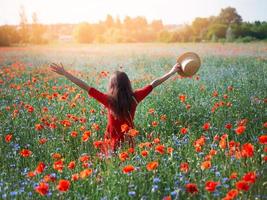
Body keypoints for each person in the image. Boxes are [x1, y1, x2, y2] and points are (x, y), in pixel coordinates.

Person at [50, 62, 182, 153]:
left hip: (111, 146)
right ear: (128, 84)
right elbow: (154, 84)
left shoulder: (109, 101)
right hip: (129, 144)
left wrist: (65, 73)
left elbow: (85, 86)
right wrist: (171, 72)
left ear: (112, 86)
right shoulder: (134, 98)